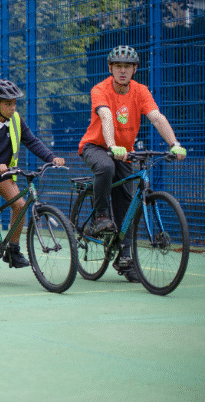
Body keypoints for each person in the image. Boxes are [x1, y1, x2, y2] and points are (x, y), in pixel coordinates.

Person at [78, 45, 186, 281]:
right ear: (110, 68)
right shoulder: (100, 89)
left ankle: (124, 257)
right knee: (106, 167)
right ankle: (101, 216)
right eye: (118, 66)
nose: (122, 70)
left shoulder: (141, 91)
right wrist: (111, 144)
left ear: (135, 69)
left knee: (127, 200)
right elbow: (106, 116)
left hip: (123, 151)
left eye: (127, 66)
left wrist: (174, 143)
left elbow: (156, 117)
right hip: (96, 145)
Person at [0, 78, 65, 288]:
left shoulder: (16, 119)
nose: (12, 108)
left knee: (19, 205)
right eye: (8, 104)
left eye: (14, 103)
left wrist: (51, 157)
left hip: (3, 170)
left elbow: (32, 141)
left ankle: (12, 250)